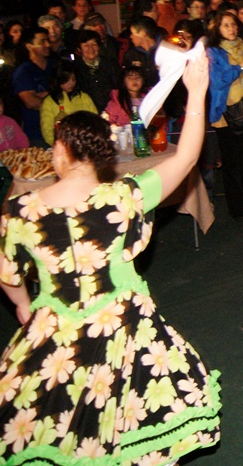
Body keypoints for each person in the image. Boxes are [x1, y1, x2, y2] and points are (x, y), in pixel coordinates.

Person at [0, 55, 221, 463]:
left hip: (56, 328)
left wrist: (23, 306)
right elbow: (186, 158)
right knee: (130, 412)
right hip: (124, 327)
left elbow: (8, 276)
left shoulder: (22, 209)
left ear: (62, 150)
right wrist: (197, 92)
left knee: (53, 417)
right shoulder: (124, 196)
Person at [206, 9, 243, 220]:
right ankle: (236, 207)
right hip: (225, 114)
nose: (231, 29)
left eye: (233, 24)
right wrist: (241, 67)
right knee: (232, 163)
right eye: (225, 25)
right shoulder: (213, 52)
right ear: (217, 28)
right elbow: (217, 81)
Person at [40, 59, 98, 146]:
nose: (71, 83)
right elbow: (48, 132)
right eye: (67, 80)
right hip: (63, 146)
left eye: (73, 79)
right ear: (58, 80)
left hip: (85, 144)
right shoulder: (49, 102)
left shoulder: (84, 97)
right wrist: (62, 146)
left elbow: (95, 121)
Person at [12, 27, 54, 146]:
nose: (47, 44)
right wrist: (55, 99)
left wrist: (42, 95)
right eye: (42, 42)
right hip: (37, 134)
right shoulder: (24, 71)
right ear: (29, 46)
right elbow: (31, 102)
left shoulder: (56, 65)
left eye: (47, 40)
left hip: (60, 131)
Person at [72, 30, 119, 111]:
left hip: (111, 110)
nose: (91, 48)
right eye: (86, 45)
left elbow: (117, 87)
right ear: (79, 49)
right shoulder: (75, 68)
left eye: (94, 44)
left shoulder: (111, 64)